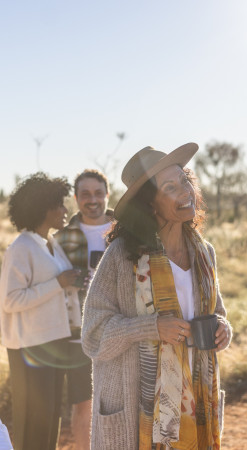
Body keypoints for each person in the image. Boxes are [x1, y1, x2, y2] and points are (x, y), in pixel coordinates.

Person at [81, 144, 232, 449]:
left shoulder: (204, 253)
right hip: (140, 411)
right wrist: (151, 328)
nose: (185, 191)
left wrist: (223, 329)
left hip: (195, 405)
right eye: (170, 187)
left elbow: (217, 312)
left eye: (185, 181)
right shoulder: (122, 257)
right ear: (150, 205)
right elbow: (93, 336)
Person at [0, 173, 83, 450]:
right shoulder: (20, 248)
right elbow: (10, 301)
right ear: (42, 207)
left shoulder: (51, 243)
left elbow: (55, 287)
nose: (65, 211)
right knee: (33, 424)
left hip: (52, 343)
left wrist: (69, 284)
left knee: (49, 420)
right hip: (29, 348)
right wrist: (57, 283)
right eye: (59, 204)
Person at [55, 168, 113, 449]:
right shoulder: (61, 238)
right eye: (86, 194)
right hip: (77, 331)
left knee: (122, 401)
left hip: (119, 327)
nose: (93, 199)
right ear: (76, 198)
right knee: (83, 405)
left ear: (107, 195)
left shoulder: (124, 231)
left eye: (98, 193)